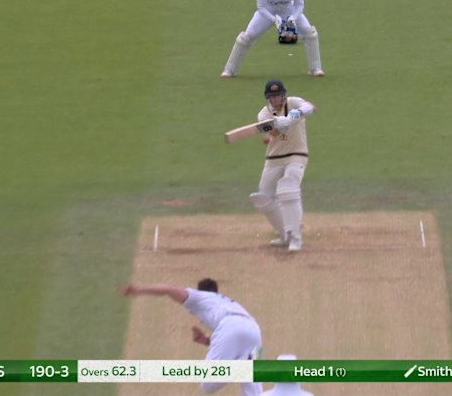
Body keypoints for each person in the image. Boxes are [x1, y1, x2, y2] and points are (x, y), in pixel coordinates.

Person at [121, 278, 263, 396]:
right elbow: (236, 336)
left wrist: (138, 290)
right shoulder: (226, 302)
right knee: (254, 391)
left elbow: (168, 289)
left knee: (208, 384)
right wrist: (206, 340)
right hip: (255, 331)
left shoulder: (199, 296)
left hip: (230, 325)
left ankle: (241, 367)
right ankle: (245, 366)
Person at [221, 0, 324, 78]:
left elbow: (299, 5)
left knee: (310, 32)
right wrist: (274, 20)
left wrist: (293, 17)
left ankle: (315, 68)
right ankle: (229, 70)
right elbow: (261, 7)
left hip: (288, 8)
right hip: (268, 10)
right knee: (246, 37)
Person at [249, 79, 315, 252]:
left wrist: (292, 117)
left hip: (297, 154)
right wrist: (278, 124)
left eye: (278, 95)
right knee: (262, 197)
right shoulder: (264, 114)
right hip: (274, 158)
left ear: (283, 95)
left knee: (288, 188)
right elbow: (275, 132)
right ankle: (284, 234)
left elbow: (311, 107)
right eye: (272, 96)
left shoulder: (294, 102)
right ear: (268, 98)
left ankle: (295, 237)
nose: (276, 99)